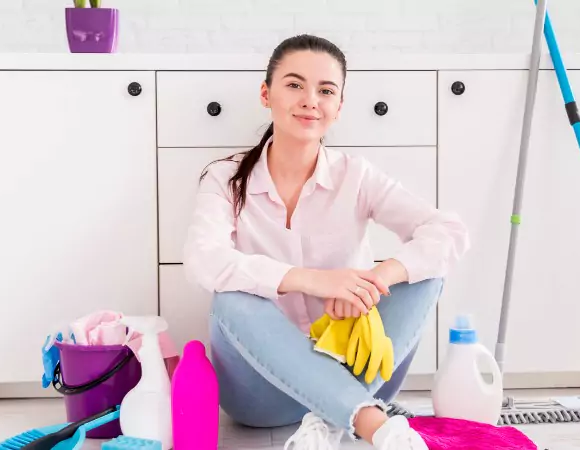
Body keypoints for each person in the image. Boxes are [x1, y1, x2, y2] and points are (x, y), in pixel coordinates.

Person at [183, 34, 470, 450]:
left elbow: (448, 231)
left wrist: (371, 280)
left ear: (338, 107)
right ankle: (372, 424)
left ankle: (332, 416)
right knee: (231, 298)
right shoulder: (225, 179)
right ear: (266, 94)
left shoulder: (356, 175)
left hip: (357, 371)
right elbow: (202, 260)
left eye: (326, 90)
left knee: (425, 275)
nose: (310, 100)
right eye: (295, 85)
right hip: (261, 394)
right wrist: (313, 280)